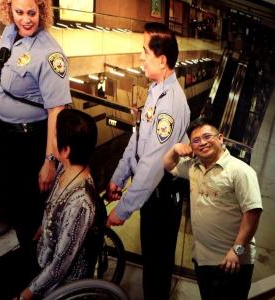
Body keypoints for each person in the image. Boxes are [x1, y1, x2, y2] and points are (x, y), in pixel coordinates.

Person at [0, 0, 72, 251]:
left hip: (31, 143)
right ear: (9, 10)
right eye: (19, 12)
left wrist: (49, 161)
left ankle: (40, 276)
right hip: (5, 139)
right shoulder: (9, 34)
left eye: (32, 13)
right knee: (15, 207)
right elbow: (0, 78)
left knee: (33, 215)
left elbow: (56, 110)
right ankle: (28, 257)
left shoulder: (49, 53)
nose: (26, 19)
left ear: (42, 11)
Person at [106, 22, 190, 300]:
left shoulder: (171, 104)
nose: (140, 58)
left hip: (163, 197)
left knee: (157, 268)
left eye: (145, 52)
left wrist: (124, 208)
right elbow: (137, 140)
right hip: (151, 195)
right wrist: (119, 177)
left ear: (162, 59)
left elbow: (153, 164)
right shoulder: (156, 90)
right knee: (151, 261)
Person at [163, 117, 263, 300]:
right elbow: (169, 164)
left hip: (231, 261)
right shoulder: (194, 168)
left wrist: (237, 250)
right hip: (202, 258)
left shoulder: (240, 171)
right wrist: (175, 148)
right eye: (196, 140)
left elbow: (253, 213)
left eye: (207, 136)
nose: (202, 143)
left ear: (220, 138)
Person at [14, 108, 103, 300]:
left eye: (55, 136)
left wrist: (27, 294)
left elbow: (59, 266)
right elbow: (54, 206)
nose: (51, 141)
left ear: (66, 150)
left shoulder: (81, 203)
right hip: (44, 256)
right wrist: (44, 224)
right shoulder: (65, 167)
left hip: (62, 284)